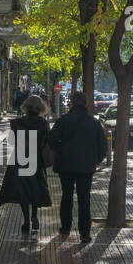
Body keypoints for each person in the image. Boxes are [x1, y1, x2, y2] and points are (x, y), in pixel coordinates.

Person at [46, 90, 108, 245]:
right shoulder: (94, 122)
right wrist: (97, 160)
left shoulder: (63, 120)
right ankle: (84, 234)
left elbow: (51, 139)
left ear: (71, 103)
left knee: (66, 196)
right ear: (86, 104)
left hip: (66, 165)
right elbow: (103, 145)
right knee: (84, 199)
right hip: (86, 166)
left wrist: (60, 150)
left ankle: (65, 227)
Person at [0, 95, 53, 234]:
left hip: (20, 159)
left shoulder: (17, 123)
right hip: (36, 159)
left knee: (22, 189)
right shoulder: (43, 124)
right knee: (35, 188)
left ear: (26, 107)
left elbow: (11, 141)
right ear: (40, 108)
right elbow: (46, 142)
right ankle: (34, 215)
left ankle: (26, 220)